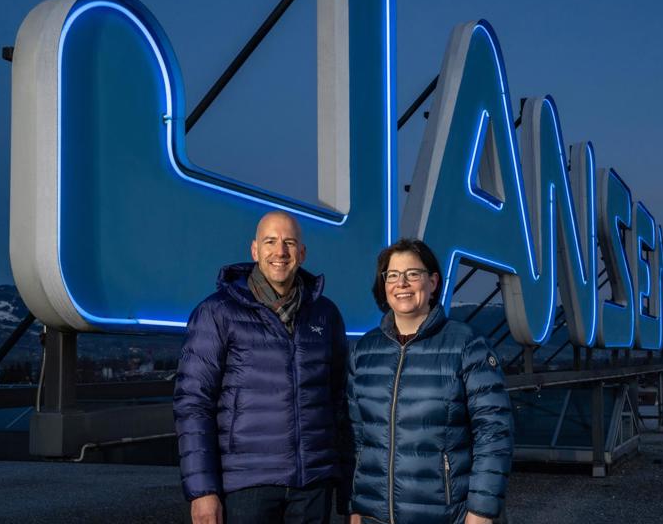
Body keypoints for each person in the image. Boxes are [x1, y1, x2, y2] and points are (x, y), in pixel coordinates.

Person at [174, 211, 351, 524]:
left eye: (289, 242)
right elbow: (193, 404)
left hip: (312, 485)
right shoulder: (217, 313)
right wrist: (202, 491)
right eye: (270, 242)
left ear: (303, 252)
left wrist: (346, 487)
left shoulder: (325, 314)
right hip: (246, 486)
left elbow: (338, 400)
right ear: (254, 250)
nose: (280, 251)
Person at [347, 239, 513, 524]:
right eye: (393, 275)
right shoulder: (364, 351)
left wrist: (481, 511)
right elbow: (358, 439)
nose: (402, 283)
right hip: (375, 516)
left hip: (447, 515)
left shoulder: (467, 345)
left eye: (413, 273)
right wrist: (356, 506)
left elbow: (494, 433)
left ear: (433, 281)